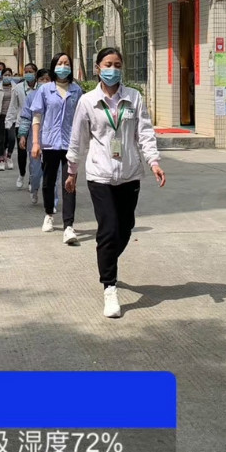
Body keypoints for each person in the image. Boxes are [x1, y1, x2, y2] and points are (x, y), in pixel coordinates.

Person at [65, 47, 166, 318]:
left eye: (118, 65)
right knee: (108, 230)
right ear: (97, 68)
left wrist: (154, 162)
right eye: (108, 64)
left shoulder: (134, 97)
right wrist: (72, 171)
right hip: (100, 174)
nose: (113, 69)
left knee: (125, 228)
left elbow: (144, 133)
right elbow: (77, 139)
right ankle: (109, 287)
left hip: (129, 173)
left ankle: (106, 256)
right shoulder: (87, 101)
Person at [31, 52, 83, 244]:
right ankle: (48, 214)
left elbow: (82, 117)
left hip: (70, 143)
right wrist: (36, 143)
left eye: (66, 63)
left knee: (69, 183)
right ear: (54, 66)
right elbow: (37, 116)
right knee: (48, 182)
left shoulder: (77, 90)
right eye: (60, 63)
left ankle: (69, 226)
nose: (63, 66)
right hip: (50, 143)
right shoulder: (45, 90)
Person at [18, 67, 49, 204]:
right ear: (37, 81)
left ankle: (51, 200)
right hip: (35, 139)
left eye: (48, 79)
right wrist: (23, 135)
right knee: (35, 171)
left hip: (52, 140)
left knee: (52, 172)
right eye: (42, 79)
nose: (45, 82)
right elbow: (26, 117)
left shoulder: (56, 96)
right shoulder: (31, 96)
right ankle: (34, 189)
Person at [6, 62, 38, 189]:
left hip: (36, 125)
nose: (28, 74)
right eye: (26, 72)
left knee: (34, 154)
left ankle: (31, 179)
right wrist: (9, 121)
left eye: (31, 72)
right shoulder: (18, 88)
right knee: (22, 153)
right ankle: (22, 174)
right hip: (21, 124)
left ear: (35, 73)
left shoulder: (40, 88)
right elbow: (13, 106)